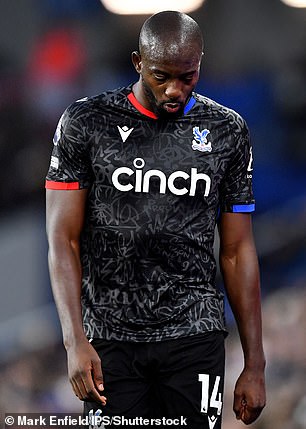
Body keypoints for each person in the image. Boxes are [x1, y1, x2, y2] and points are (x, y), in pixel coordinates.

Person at [45, 10, 266, 429]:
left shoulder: (227, 131)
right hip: (110, 336)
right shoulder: (87, 124)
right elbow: (63, 240)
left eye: (188, 77)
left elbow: (238, 251)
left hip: (194, 332)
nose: (174, 91)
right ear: (137, 63)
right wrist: (74, 341)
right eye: (161, 76)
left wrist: (255, 363)